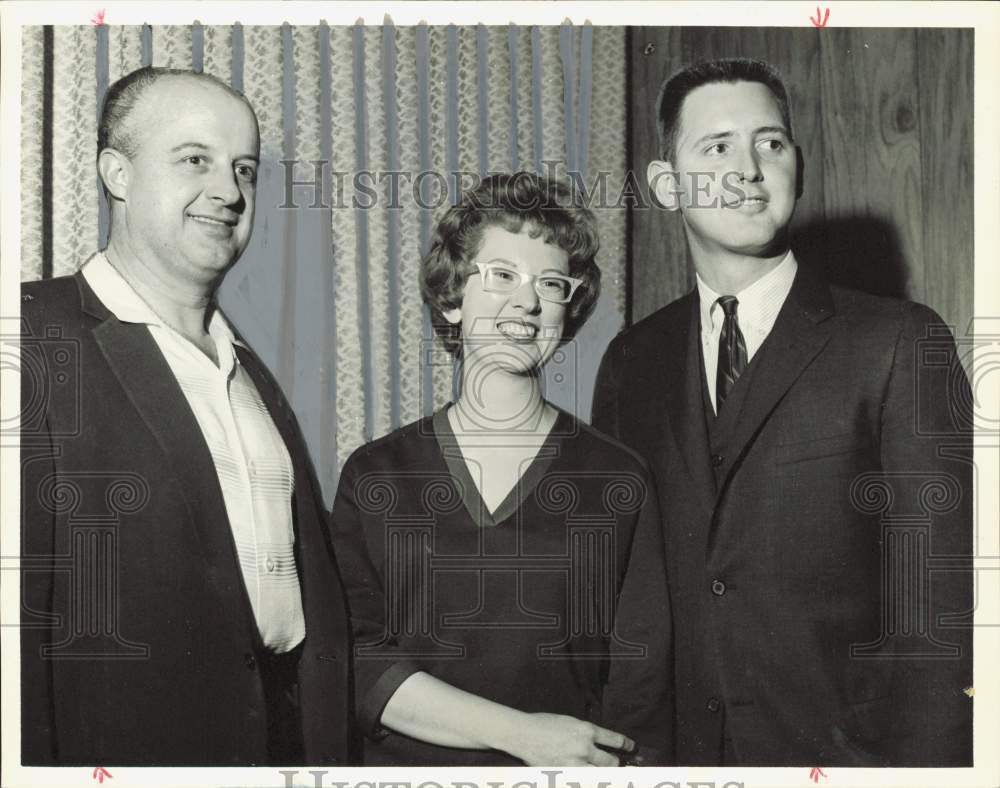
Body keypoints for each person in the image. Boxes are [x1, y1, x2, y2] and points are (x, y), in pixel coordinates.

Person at [592, 58, 972, 766]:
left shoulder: (897, 340)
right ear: (666, 185)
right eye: (717, 147)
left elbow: (936, 613)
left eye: (770, 144)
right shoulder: (630, 363)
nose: (748, 170)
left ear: (796, 163)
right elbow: (627, 597)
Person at [20, 67, 353, 765]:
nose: (230, 192)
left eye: (244, 169)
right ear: (117, 172)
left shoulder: (247, 368)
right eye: (195, 160)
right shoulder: (31, 337)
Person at [329, 172, 673, 765]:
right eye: (503, 276)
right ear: (451, 298)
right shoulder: (376, 476)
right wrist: (520, 733)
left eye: (552, 283)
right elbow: (355, 662)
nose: (528, 301)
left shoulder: (619, 478)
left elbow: (640, 689)